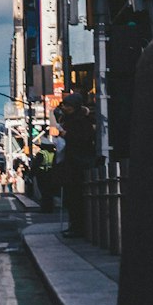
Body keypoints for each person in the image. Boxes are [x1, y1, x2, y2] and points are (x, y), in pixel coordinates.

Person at [53, 90, 95, 237]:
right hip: (70, 162)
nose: (65, 108)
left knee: (77, 197)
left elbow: (83, 140)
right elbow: (56, 111)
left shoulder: (81, 121)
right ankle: (74, 225)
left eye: (68, 105)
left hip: (78, 164)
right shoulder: (68, 119)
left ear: (75, 106)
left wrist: (66, 135)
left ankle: (78, 227)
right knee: (71, 198)